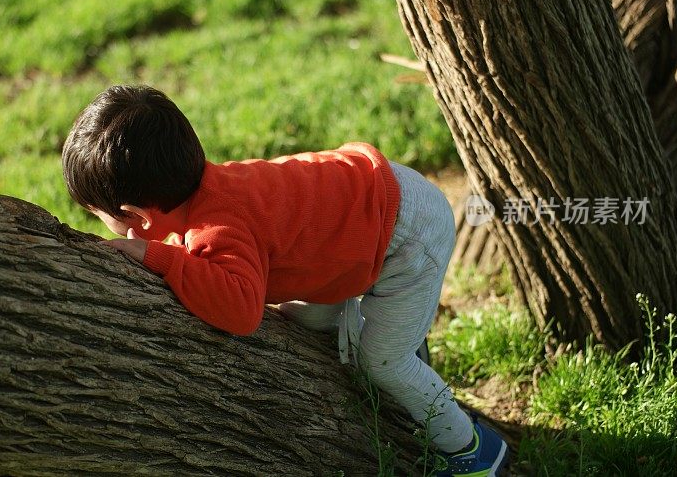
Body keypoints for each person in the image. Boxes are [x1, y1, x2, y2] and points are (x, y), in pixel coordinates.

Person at [62, 84, 509, 476]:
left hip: (406, 234)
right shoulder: (212, 191)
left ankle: (470, 449)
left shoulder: (218, 227)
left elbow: (240, 312)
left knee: (383, 362)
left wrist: (160, 257)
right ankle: (374, 322)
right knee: (305, 319)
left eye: (101, 218)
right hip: (376, 206)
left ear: (138, 218)